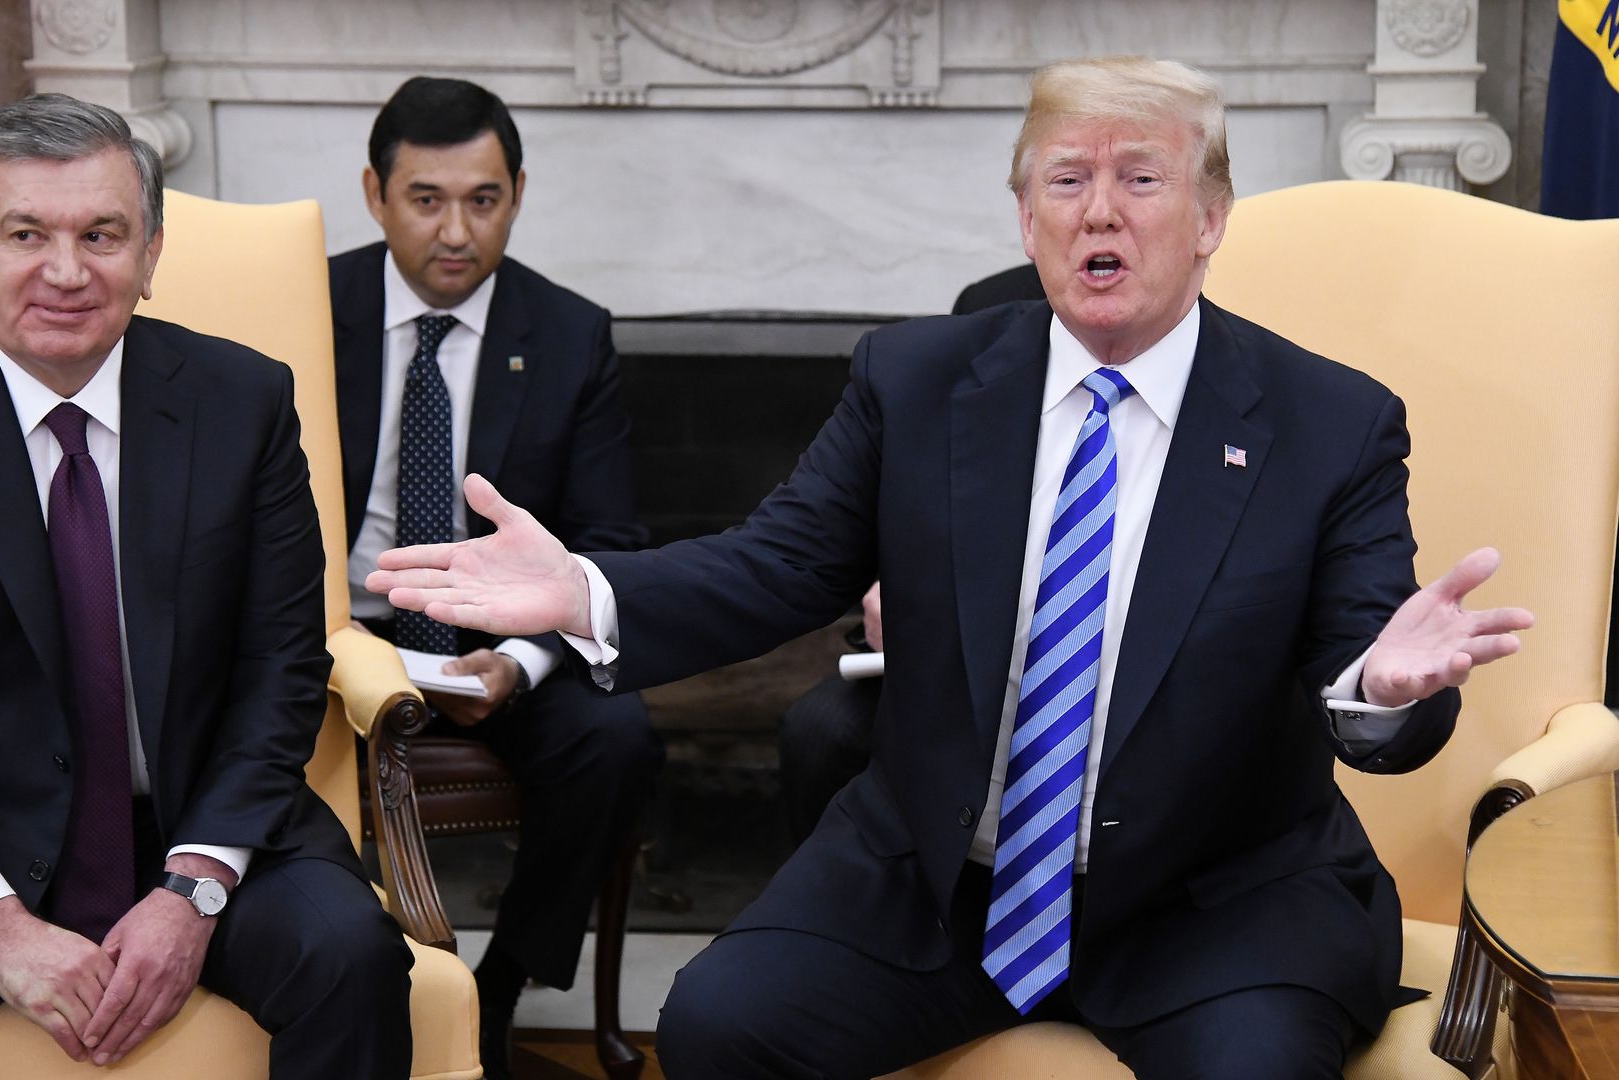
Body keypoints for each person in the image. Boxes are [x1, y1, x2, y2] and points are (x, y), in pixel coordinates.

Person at [368, 57, 1535, 1078]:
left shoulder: (1328, 421)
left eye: (1141, 179)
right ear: (1026, 219)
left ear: (1212, 216)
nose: (1099, 212)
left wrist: (1381, 688)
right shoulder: (916, 381)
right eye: (1066, 181)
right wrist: (585, 590)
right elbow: (777, 566)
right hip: (945, 886)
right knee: (720, 1025)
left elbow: (1371, 662)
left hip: (1217, 902)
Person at [0, 94, 412, 1078]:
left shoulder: (244, 403)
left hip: (197, 821)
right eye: (26, 234)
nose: (67, 272)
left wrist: (194, 889)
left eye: (102, 235)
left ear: (150, 255)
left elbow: (281, 668)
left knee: (350, 959)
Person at [329, 75, 663, 1077]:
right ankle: (341, 987)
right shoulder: (307, 305)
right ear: (375, 195)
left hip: (496, 634)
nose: (455, 232)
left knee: (616, 738)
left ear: (517, 193)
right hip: (339, 631)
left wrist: (519, 659)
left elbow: (610, 538)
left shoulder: (568, 333)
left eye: (483, 200)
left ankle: (499, 987)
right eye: (425, 200)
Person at [782, 267, 1050, 844]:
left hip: (1129, 655)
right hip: (964, 652)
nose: (1098, 223)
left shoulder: (1226, 313)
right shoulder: (991, 305)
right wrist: (898, 581)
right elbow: (937, 486)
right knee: (821, 729)